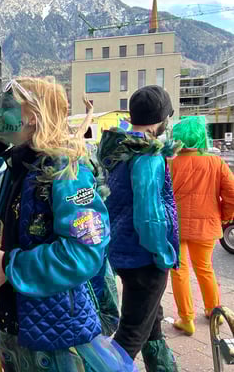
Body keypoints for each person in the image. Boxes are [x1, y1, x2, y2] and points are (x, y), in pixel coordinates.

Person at [0, 77, 135, 371]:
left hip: (54, 332)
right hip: (15, 321)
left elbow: (84, 253)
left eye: (5, 107)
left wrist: (10, 265)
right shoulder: (18, 166)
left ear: (32, 116)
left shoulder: (67, 171)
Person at [98, 85, 180, 371]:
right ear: (162, 120)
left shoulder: (119, 150)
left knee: (151, 323)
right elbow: (149, 216)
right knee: (131, 335)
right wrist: (163, 254)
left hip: (123, 251)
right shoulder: (148, 155)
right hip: (145, 257)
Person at [169, 116, 234, 335]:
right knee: (205, 268)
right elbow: (232, 194)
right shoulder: (216, 162)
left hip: (175, 226)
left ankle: (186, 319)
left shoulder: (169, 163)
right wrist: (225, 216)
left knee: (179, 271)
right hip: (206, 225)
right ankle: (214, 311)